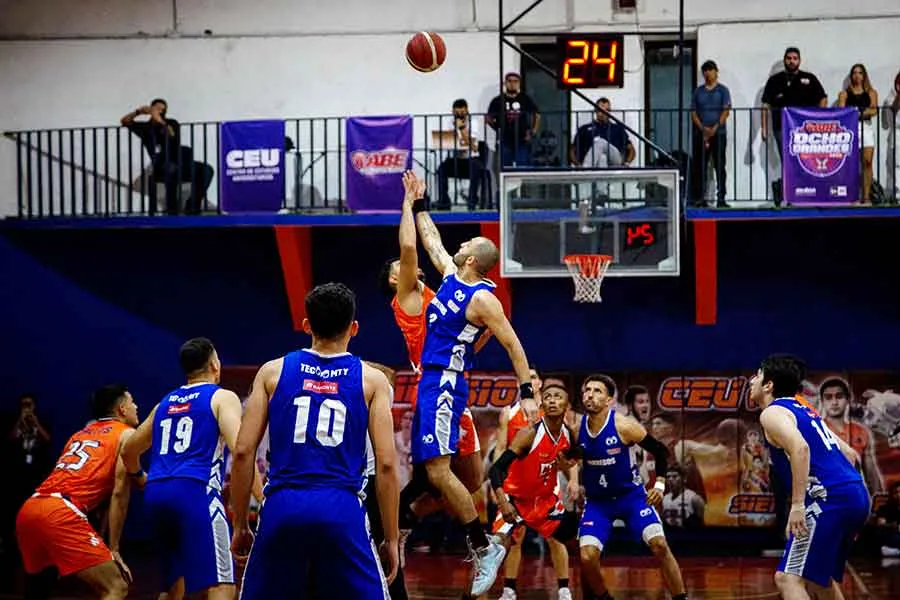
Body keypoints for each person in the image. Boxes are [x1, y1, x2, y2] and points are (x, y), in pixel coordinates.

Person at [230, 283, 399, 599]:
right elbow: (387, 465)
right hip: (342, 507)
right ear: (354, 328)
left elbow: (242, 452)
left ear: (307, 325)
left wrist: (240, 523)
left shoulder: (272, 372)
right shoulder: (371, 379)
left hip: (282, 505)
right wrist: (390, 537)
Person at [412, 193, 535, 596]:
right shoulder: (449, 276)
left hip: (446, 382)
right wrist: (417, 205)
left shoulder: (483, 299)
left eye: (463, 247)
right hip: (431, 381)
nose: (457, 247)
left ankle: (484, 548)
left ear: (471, 260)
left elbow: (515, 345)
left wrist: (527, 392)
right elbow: (430, 241)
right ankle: (401, 529)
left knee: (437, 471)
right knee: (428, 475)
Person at [121, 337, 263, 599]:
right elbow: (241, 451)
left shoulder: (165, 402)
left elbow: (129, 450)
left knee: (173, 586)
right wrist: (263, 498)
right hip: (195, 491)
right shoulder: (222, 397)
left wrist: (140, 477)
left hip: (156, 494)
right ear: (214, 365)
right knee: (223, 584)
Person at [751, 354, 870, 600]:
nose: (752, 380)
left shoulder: (772, 413)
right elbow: (850, 454)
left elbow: (800, 449)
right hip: (854, 495)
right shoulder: (805, 410)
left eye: (757, 375)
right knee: (819, 578)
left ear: (768, 385)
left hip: (830, 500)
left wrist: (798, 506)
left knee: (788, 578)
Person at [15, 384, 140, 600]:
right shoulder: (127, 434)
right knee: (116, 587)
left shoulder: (79, 435)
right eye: (132, 402)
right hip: (60, 513)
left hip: (30, 508)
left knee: (39, 589)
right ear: (121, 409)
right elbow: (119, 494)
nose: (136, 406)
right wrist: (115, 548)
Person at [571, 374, 687, 600]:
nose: (590, 395)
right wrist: (571, 474)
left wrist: (660, 485)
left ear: (609, 400)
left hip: (631, 498)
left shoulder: (624, 426)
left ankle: (680, 598)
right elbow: (571, 458)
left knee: (660, 545)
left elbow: (661, 451)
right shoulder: (577, 429)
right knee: (587, 557)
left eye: (597, 391)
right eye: (587, 390)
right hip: (598, 503)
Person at [488, 381, 580, 600]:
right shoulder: (528, 432)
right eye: (548, 397)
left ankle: (564, 589)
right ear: (542, 403)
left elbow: (572, 458)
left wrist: (573, 479)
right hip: (516, 496)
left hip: (546, 496)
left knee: (558, 539)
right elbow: (496, 469)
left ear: (567, 404)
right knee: (497, 546)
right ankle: (506, 589)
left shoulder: (569, 433)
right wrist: (503, 502)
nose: (552, 400)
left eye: (558, 397)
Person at [120, 98, 214, 215]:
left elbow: (171, 134)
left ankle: (192, 205)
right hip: (162, 165)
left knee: (207, 170)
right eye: (157, 108)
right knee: (171, 169)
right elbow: (124, 121)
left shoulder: (171, 123)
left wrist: (159, 120)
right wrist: (138, 112)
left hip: (180, 162)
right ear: (151, 109)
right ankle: (172, 209)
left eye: (162, 110)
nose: (159, 111)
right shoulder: (145, 128)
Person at [690, 60, 731, 208]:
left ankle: (721, 198)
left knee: (720, 166)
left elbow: (726, 111)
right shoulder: (698, 91)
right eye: (705, 70)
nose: (708, 73)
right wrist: (703, 128)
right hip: (701, 134)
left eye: (710, 70)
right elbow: (693, 113)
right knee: (700, 167)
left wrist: (715, 127)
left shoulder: (723, 90)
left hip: (719, 133)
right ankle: (700, 198)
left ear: (716, 71)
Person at [837, 64, 878, 204]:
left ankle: (866, 196)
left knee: (867, 162)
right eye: (854, 73)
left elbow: (874, 111)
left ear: (864, 75)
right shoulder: (844, 94)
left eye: (860, 73)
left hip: (866, 127)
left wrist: (856, 112)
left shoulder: (871, 92)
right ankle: (853, 195)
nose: (857, 76)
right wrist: (860, 112)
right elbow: (842, 112)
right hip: (850, 128)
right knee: (851, 163)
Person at [875, 481, 900, 557]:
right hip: (892, 535)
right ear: (892, 495)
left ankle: (896, 552)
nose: (899, 495)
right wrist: (893, 525)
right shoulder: (885, 508)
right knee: (881, 532)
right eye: (896, 492)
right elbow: (881, 524)